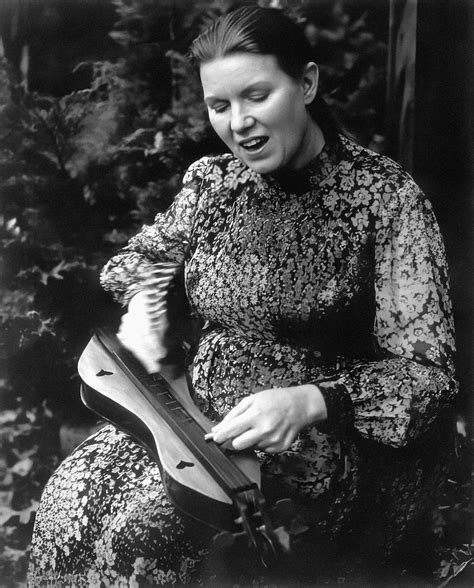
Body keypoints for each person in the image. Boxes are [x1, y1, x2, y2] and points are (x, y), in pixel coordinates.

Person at [29, 6, 457, 586]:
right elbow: (143, 257)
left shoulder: (385, 199)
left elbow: (430, 379)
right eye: (219, 105)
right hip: (194, 420)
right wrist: (147, 297)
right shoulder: (215, 182)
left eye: (257, 96)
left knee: (142, 536)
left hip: (320, 448)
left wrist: (310, 400)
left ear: (306, 83)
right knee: (67, 499)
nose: (239, 123)